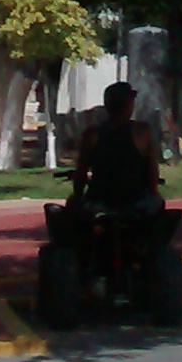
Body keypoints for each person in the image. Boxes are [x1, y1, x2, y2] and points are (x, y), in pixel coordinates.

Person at [68, 82, 164, 298]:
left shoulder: (92, 135)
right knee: (158, 210)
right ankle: (148, 257)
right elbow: (152, 172)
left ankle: (84, 264)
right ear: (129, 105)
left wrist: (77, 194)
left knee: (73, 214)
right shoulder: (143, 132)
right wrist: (153, 192)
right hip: (135, 202)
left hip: (100, 202)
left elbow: (80, 175)